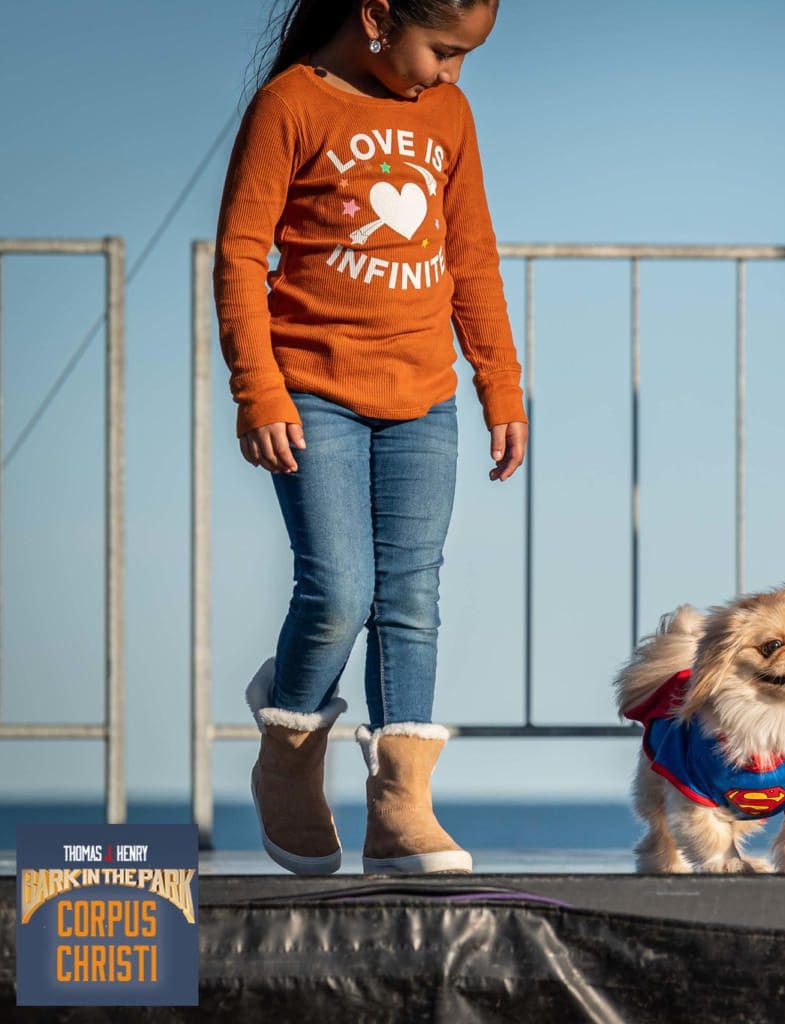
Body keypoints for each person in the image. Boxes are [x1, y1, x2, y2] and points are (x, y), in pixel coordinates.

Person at [216, 0, 526, 875]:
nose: (450, 75)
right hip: (312, 391)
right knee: (339, 593)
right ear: (379, 16)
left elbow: (471, 256)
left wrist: (499, 383)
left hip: (424, 398)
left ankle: (400, 805)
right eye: (443, 51)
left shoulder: (448, 116)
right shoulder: (291, 104)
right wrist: (258, 388)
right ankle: (288, 760)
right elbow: (240, 255)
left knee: (411, 600)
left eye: (466, 58)